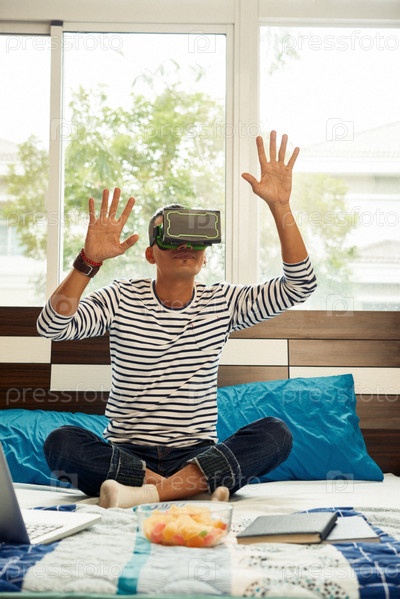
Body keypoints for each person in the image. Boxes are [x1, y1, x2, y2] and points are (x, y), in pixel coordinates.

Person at [37, 131, 317, 508]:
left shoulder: (224, 302)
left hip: (197, 455)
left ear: (205, 255)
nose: (185, 245)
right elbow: (51, 326)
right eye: (171, 236)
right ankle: (186, 487)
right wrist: (89, 262)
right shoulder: (120, 297)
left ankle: (147, 493)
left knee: (276, 433)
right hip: (127, 456)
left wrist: (280, 205)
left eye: (195, 238)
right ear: (150, 254)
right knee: (61, 443)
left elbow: (300, 285)